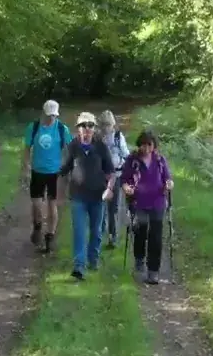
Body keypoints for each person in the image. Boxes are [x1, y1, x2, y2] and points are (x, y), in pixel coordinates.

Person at [57, 111, 117, 280]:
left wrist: (109, 189)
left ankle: (93, 258)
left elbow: (111, 172)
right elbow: (63, 171)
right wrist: (60, 194)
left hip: (98, 196)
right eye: (83, 125)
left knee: (97, 231)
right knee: (79, 231)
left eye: (90, 125)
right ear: (78, 129)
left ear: (94, 129)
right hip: (78, 197)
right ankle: (79, 266)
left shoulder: (101, 146)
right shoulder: (73, 147)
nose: (87, 129)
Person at [122, 130, 174, 285]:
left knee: (156, 236)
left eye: (149, 145)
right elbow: (124, 179)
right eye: (143, 145)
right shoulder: (132, 160)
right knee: (140, 231)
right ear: (139, 145)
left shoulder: (159, 160)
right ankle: (139, 257)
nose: (146, 148)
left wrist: (169, 184)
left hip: (158, 201)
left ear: (154, 146)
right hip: (138, 203)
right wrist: (126, 188)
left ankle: (153, 271)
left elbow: (168, 178)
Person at [21, 99, 72, 254]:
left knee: (52, 205)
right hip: (37, 171)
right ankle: (37, 225)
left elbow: (69, 150)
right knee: (36, 204)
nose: (52, 118)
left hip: (54, 173)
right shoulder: (34, 127)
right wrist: (25, 167)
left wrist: (67, 169)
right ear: (43, 113)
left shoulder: (62, 129)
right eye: (49, 115)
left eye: (54, 115)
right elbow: (26, 148)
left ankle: (50, 236)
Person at [97, 110, 132, 250]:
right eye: (104, 125)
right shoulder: (98, 138)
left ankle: (113, 236)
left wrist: (122, 166)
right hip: (101, 177)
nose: (106, 128)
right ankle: (100, 233)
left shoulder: (118, 137)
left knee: (114, 208)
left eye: (109, 125)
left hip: (116, 177)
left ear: (113, 125)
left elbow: (126, 155)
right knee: (100, 206)